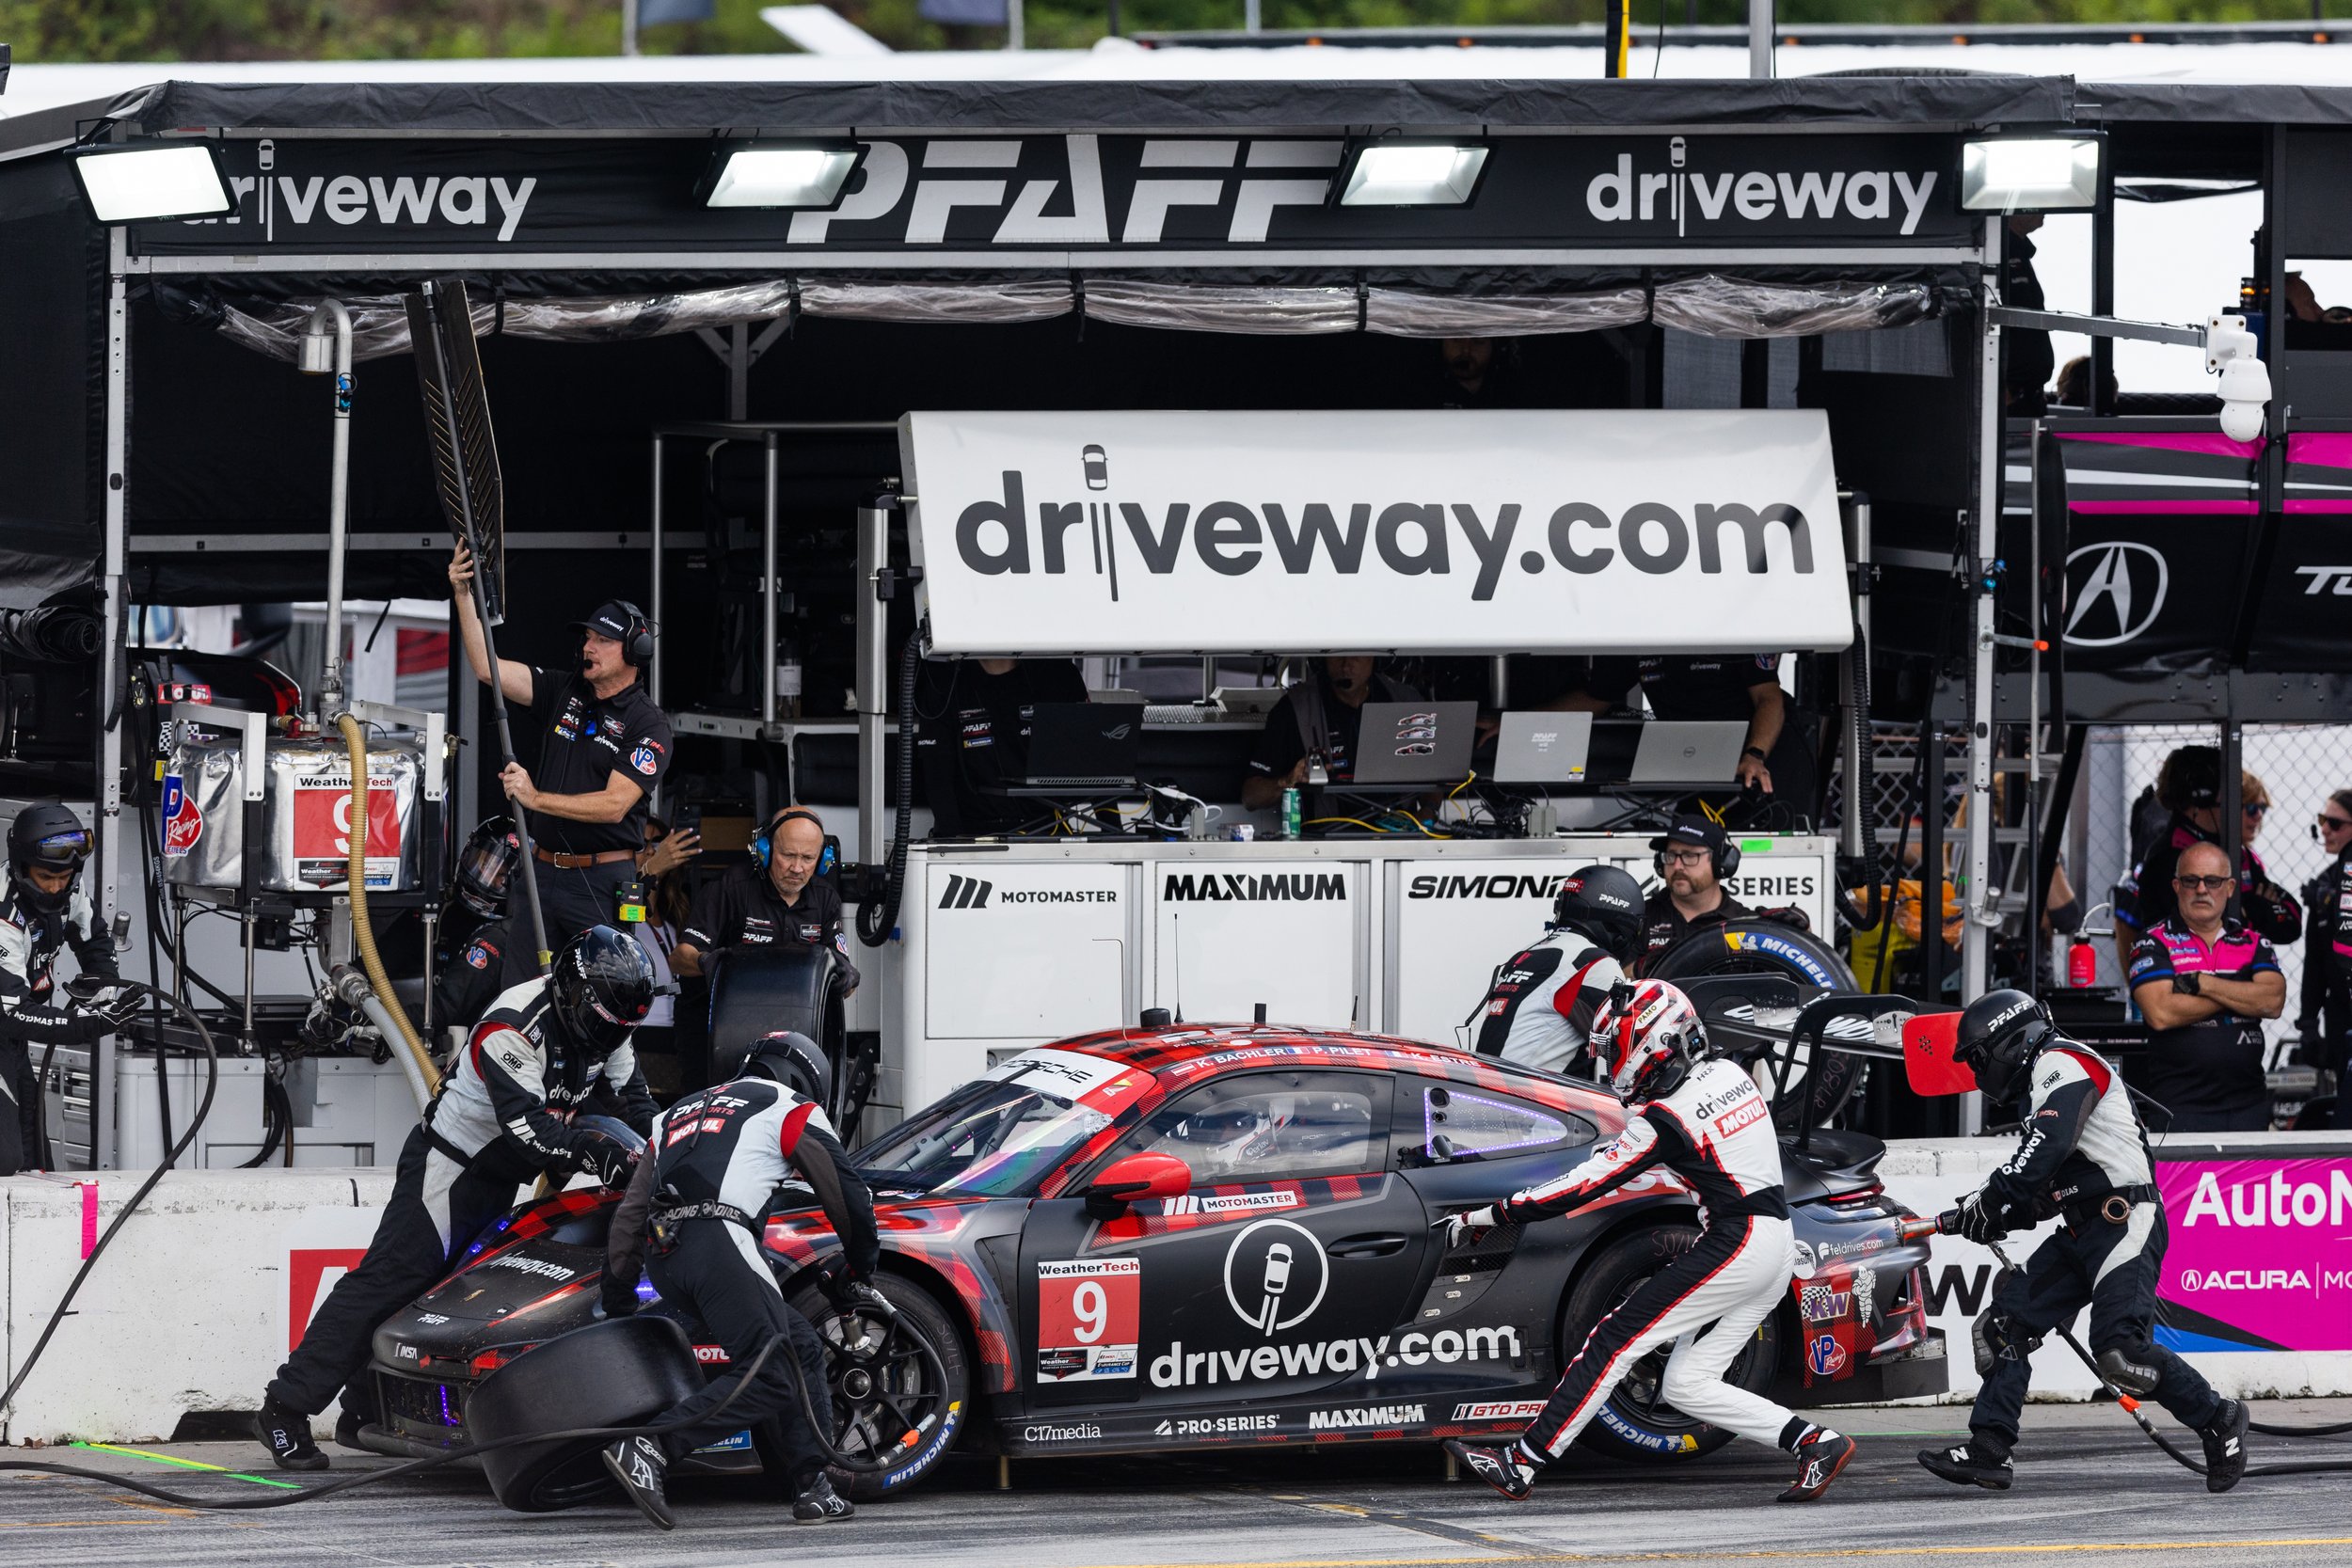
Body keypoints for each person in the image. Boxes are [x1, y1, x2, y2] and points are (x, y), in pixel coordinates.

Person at [253, 926, 658, 1470]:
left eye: (621, 1029)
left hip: (504, 1174)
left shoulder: (610, 1022)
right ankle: (284, 1407)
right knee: (390, 1280)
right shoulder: (511, 1026)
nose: (609, 1037)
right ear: (571, 994)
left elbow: (635, 1104)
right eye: (603, 1025)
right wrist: (595, 1151)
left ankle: (360, 1408)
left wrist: (664, 1154)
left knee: (443, 1298)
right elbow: (529, 1130)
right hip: (452, 1166)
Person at [1442, 980, 1855, 1506]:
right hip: (1776, 1245)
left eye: (1615, 1048)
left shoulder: (1664, 1120)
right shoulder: (1730, 1073)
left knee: (1612, 1341)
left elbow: (1581, 1187)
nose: (1612, 1063)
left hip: (1740, 1241)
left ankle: (1523, 1463)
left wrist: (1494, 1212)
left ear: (1651, 1044)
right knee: (1686, 1383)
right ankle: (1816, 1442)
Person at [1917, 990, 2248, 1494]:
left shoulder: (2063, 1061)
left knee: (2121, 1354)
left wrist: (1997, 1199)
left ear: (2008, 1042)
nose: (1979, 1074)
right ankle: (1989, 1450)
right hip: (2082, 1226)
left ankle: (2220, 1417)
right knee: (2001, 1330)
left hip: (2124, 1219)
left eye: (1980, 1059)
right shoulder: (2047, 1082)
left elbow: (2044, 1151)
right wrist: (1988, 1212)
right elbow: (2047, 1187)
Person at [599, 1031, 885, 1530]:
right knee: (773, 1371)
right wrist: (860, 1267)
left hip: (665, 1257)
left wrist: (618, 1296)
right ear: (802, 1078)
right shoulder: (785, 1103)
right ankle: (653, 1444)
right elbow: (846, 1191)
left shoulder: (674, 1114)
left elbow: (630, 1214)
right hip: (719, 1240)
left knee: (800, 1348)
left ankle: (813, 1485)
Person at [449, 542, 675, 948]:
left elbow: (614, 805)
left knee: (598, 1001)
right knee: (522, 992)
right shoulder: (562, 688)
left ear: (636, 651)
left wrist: (535, 798)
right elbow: (487, 669)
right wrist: (463, 595)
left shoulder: (647, 722)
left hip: (601, 884)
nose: (588, 647)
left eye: (602, 639)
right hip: (541, 873)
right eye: (588, 637)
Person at [2127, 841, 2285, 1133]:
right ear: (2176, 886)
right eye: (2191, 880)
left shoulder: (2254, 942)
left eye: (2212, 881)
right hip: (2180, 1109)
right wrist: (2240, 990)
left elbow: (2272, 1001)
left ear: (2230, 887)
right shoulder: (2152, 941)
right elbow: (2161, 1012)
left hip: (2248, 1106)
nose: (2201, 890)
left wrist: (2202, 983)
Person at [0, 803, 118, 1174]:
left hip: (13, 1046)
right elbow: (12, 1015)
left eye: (63, 876)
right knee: (5, 1160)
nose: (55, 886)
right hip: (7, 1026)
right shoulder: (4, 915)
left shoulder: (70, 888)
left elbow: (93, 939)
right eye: (45, 876)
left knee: (35, 1159)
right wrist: (84, 1024)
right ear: (21, 867)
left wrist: (105, 991)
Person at [2113, 750, 2299, 973]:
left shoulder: (2236, 852)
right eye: (2231, 797)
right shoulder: (2167, 858)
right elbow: (2202, 932)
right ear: (2201, 798)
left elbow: (2291, 923)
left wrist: (2244, 911)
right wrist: (2255, 908)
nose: (2236, 804)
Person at [1469, 865, 1644, 1076]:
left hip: (1490, 1092)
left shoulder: (1527, 954)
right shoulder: (1593, 963)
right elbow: (1637, 1050)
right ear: (1620, 924)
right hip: (1531, 1100)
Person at [1581, 655, 1811, 810]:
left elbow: (1769, 698)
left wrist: (1755, 754)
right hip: (1695, 759)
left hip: (1762, 758)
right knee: (1691, 842)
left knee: (1763, 838)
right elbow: (1596, 700)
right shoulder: (1635, 632)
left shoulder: (1734, 622)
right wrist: (1545, 720)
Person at [674, 807, 858, 996]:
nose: (797, 868)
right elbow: (679, 959)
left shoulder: (826, 898)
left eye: (808, 858)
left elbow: (846, 985)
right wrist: (709, 962)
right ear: (765, 851)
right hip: (720, 1014)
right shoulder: (730, 888)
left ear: (822, 860)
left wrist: (846, 977)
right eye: (788, 855)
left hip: (791, 1016)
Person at [913, 656, 1088, 837]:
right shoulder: (944, 684)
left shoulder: (1058, 675)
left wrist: (1113, 836)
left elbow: (1094, 757)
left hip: (1051, 833)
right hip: (977, 836)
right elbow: (937, 776)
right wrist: (953, 849)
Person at [1242, 657, 1422, 812]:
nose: (1345, 665)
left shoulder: (1405, 701)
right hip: (1323, 845)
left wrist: (1428, 812)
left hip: (1399, 837)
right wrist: (1287, 781)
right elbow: (1251, 797)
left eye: (1355, 653)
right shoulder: (1293, 708)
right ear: (1321, 658)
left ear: (1376, 655)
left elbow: (1432, 770)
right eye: (1337, 655)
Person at [1632, 816, 1756, 968]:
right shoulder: (1640, 918)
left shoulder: (1745, 924)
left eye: (1689, 855)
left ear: (1720, 862)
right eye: (1671, 855)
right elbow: (1616, 975)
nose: (1677, 866)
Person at [2297, 788, 2352, 1125]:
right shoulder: (2322, 885)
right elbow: (2314, 964)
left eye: (2334, 822)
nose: (2326, 830)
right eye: (2322, 821)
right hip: (2339, 1013)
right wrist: (2307, 1024)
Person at [1434, 338, 1528, 408]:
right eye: (1456, 339)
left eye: (1478, 341)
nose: (1466, 350)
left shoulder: (1513, 391)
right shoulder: (1426, 390)